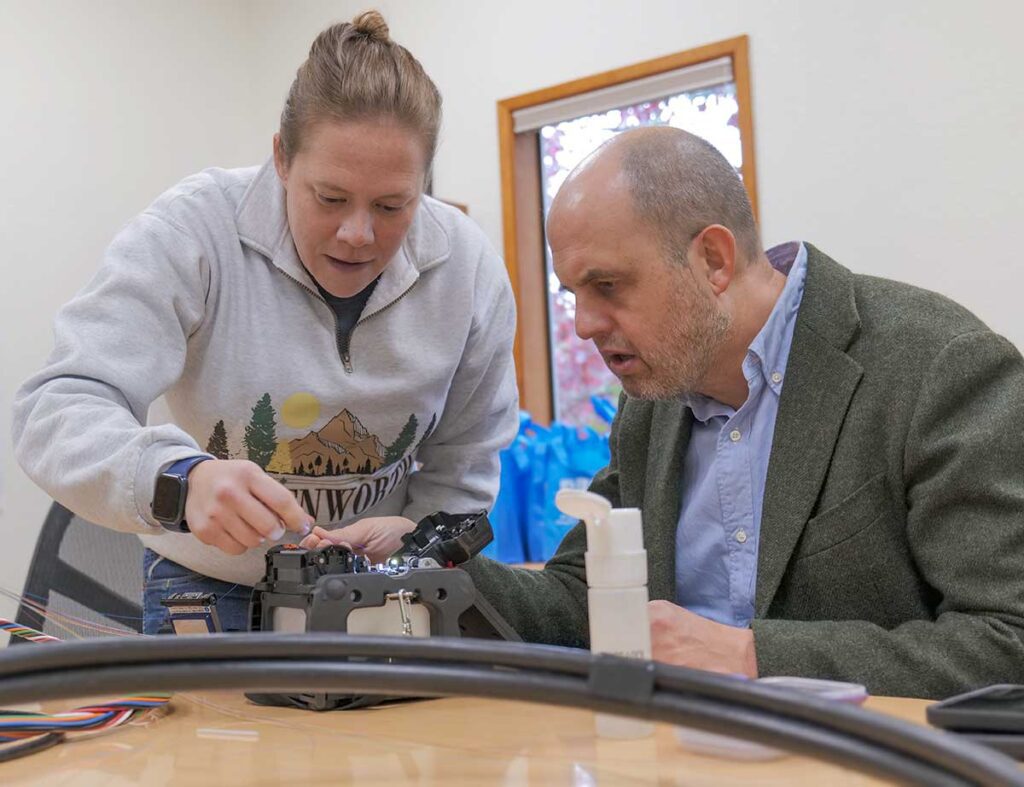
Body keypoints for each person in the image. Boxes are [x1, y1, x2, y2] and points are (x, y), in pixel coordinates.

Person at [305, 126, 1024, 699]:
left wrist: (752, 653)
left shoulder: (936, 366)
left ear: (713, 259)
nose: (584, 325)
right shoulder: (651, 406)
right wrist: (426, 559)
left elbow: (1008, 638)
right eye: (572, 295)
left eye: (609, 285)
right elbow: (580, 602)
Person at [12, 11, 518, 635]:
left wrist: (418, 544)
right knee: (214, 737)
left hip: (382, 584)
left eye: (393, 205)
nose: (358, 234)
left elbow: (466, 460)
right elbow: (57, 408)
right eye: (329, 198)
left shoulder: (467, 271)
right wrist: (181, 483)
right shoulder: (191, 234)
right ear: (281, 159)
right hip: (206, 583)